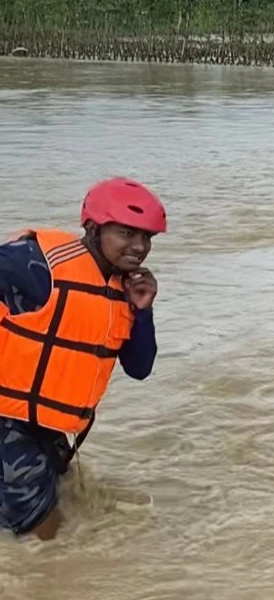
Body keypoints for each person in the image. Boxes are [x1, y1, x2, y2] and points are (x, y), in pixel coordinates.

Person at [0, 177, 167, 540]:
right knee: (43, 538)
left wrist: (143, 312)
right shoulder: (36, 265)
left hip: (47, 425)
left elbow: (139, 368)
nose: (139, 247)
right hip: (8, 421)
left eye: (147, 237)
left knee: (72, 499)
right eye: (127, 233)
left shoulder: (125, 288)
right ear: (93, 228)